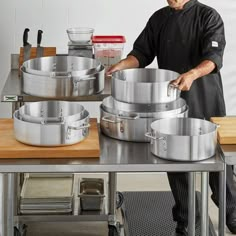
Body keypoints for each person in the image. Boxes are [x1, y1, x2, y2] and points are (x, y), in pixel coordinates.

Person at [107, 0, 236, 235]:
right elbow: (141, 53)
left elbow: (214, 57)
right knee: (175, 160)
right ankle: (187, 219)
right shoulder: (159, 18)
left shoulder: (208, 16)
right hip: (173, 102)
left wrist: (192, 74)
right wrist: (121, 66)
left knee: (219, 162)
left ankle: (232, 213)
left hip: (207, 99)